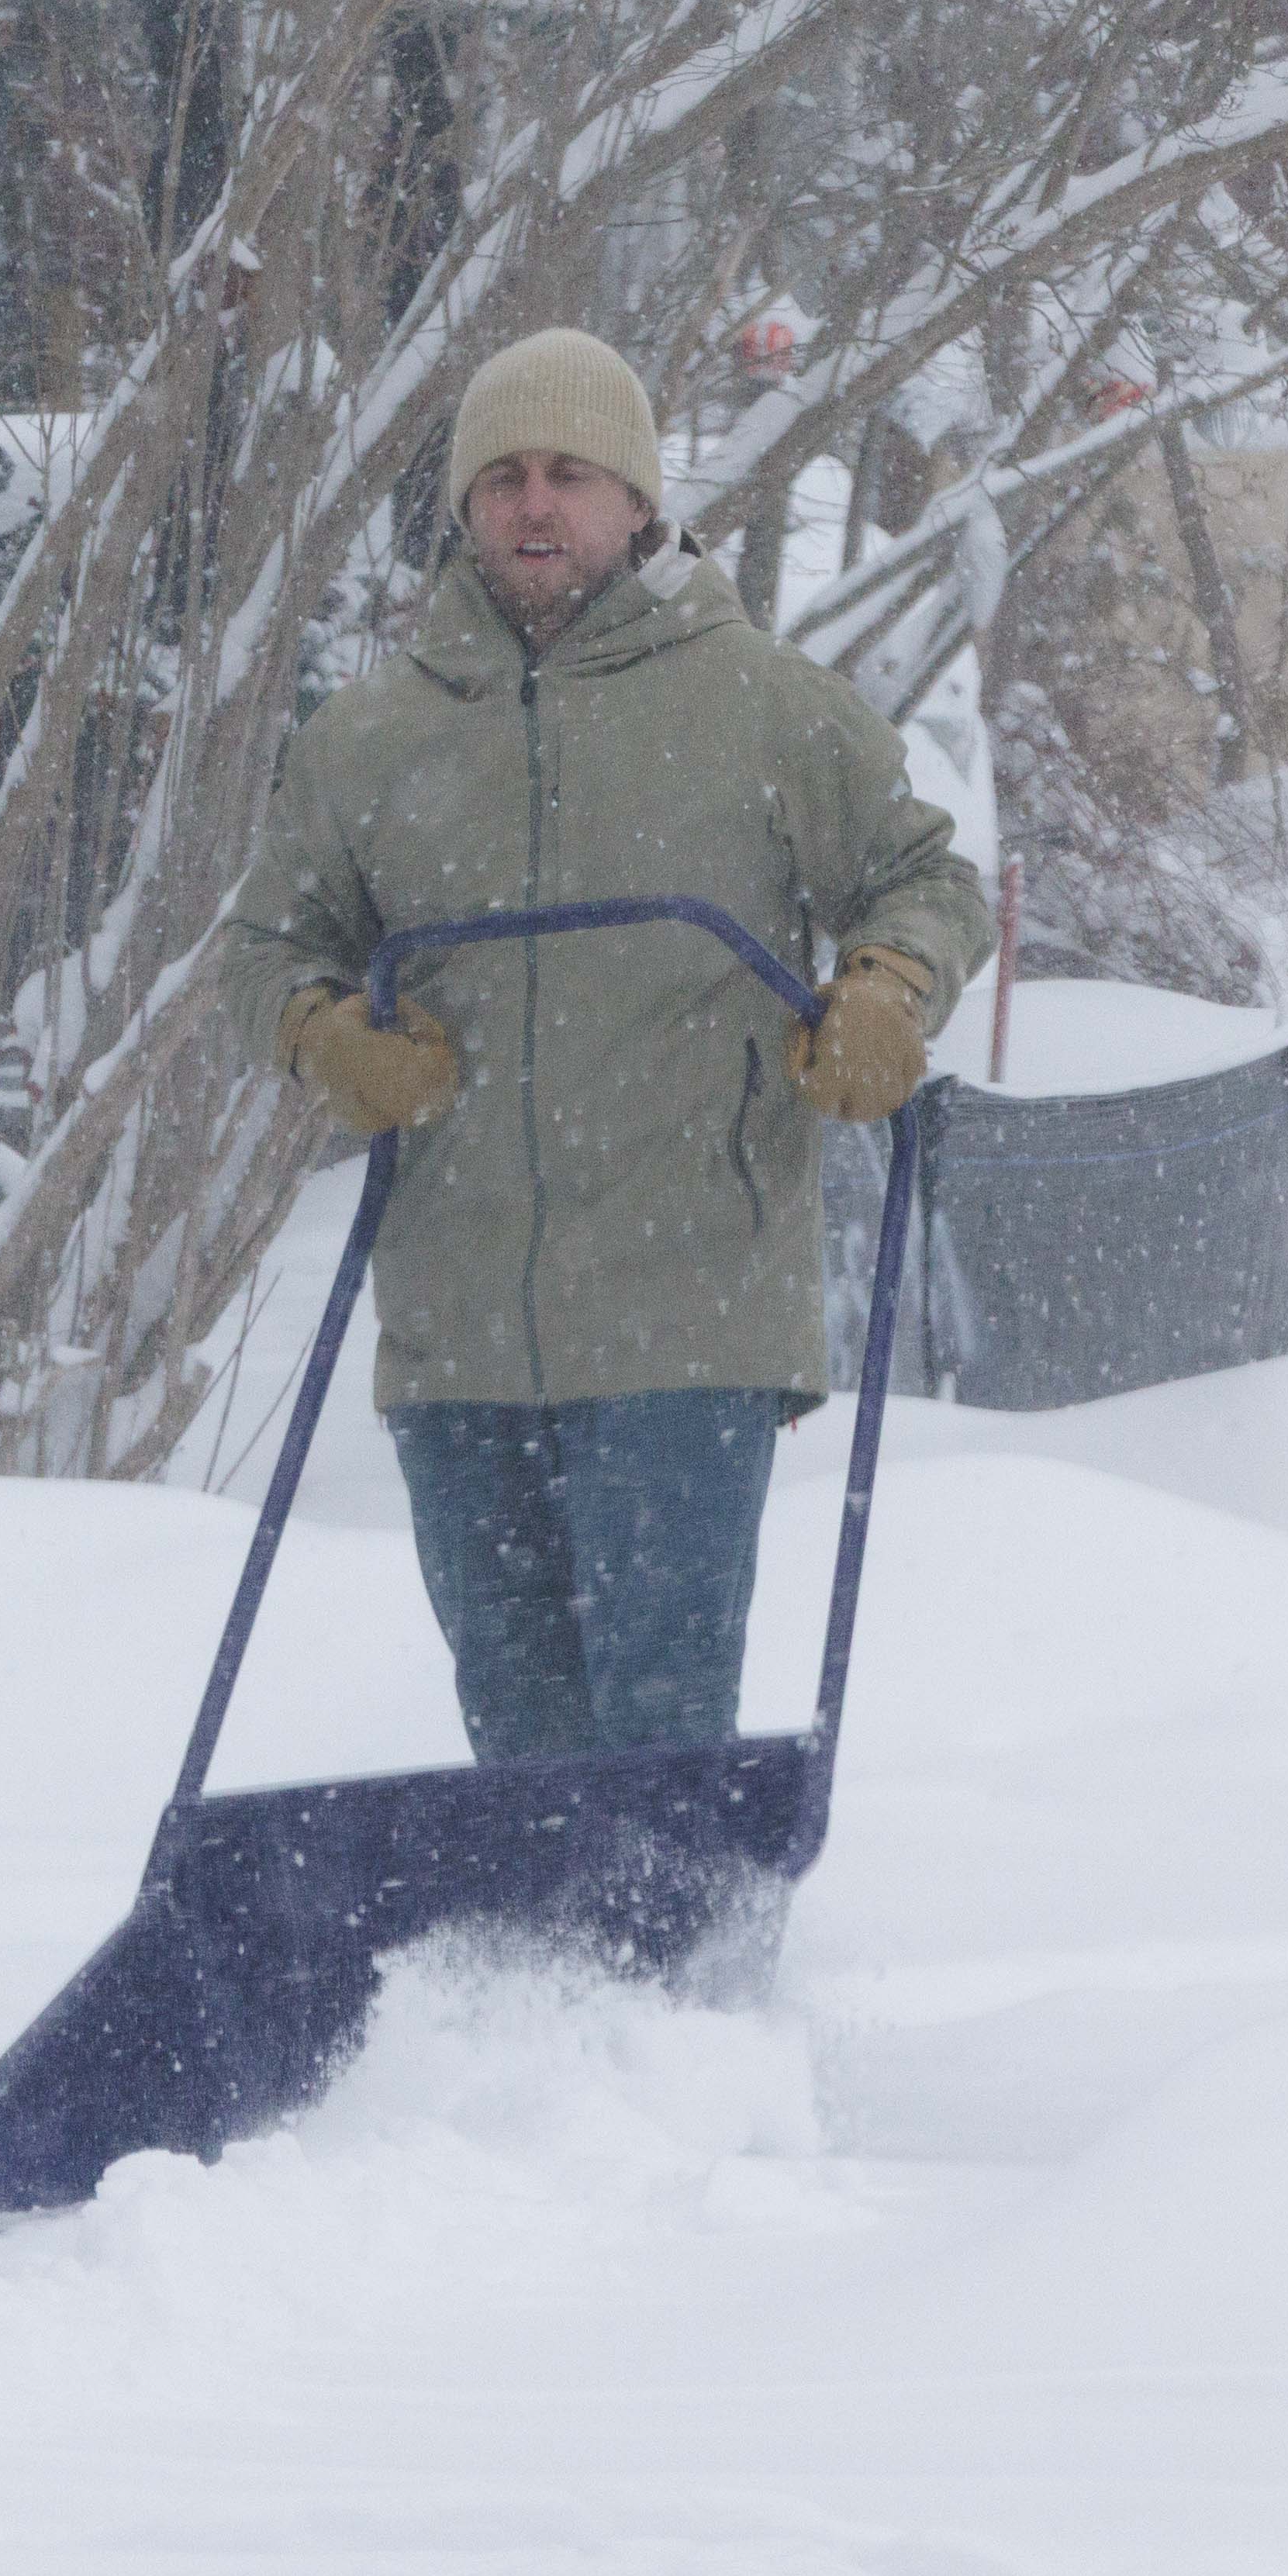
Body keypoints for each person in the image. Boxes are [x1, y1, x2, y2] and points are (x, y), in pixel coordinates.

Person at [217, 328, 992, 1760]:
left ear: (638, 501)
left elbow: (928, 879)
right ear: (463, 509)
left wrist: (887, 989)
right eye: (503, 478)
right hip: (456, 1327)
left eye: (571, 474)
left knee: (659, 1735)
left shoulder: (761, 706)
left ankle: (676, 1984)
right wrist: (325, 1037)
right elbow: (267, 945)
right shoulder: (374, 739)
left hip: (686, 1313)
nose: (535, 506)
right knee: (516, 1737)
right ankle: (526, 1989)